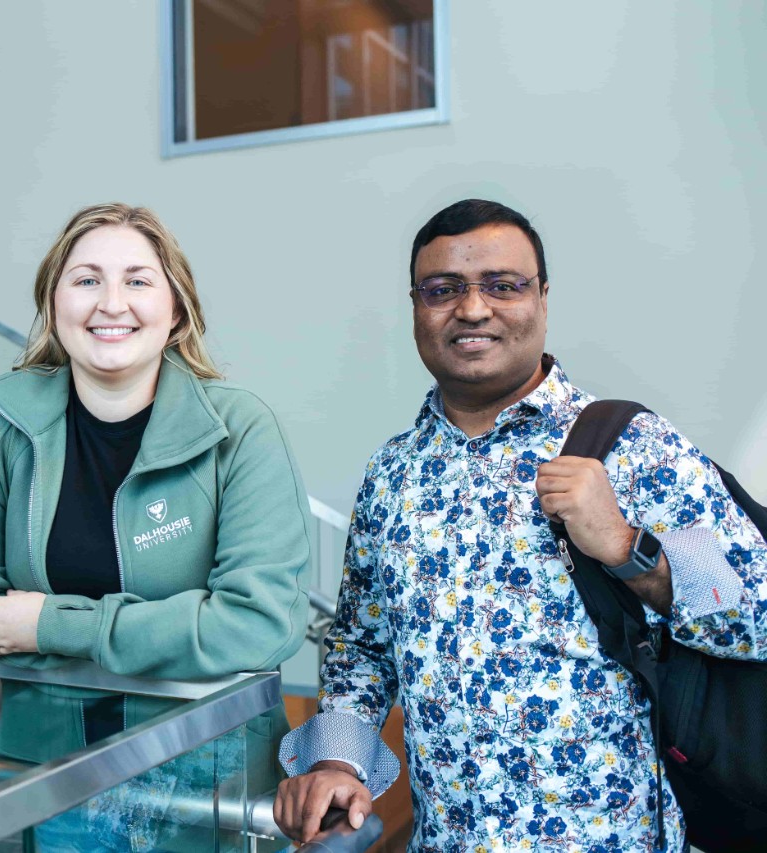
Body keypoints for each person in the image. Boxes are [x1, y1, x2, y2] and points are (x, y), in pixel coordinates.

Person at [273, 199, 767, 851]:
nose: (472, 309)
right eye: (443, 289)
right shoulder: (393, 474)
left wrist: (627, 547)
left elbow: (756, 612)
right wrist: (338, 762)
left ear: (542, 297)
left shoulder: (631, 446)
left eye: (503, 285)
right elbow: (363, 646)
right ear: (417, 306)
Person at [0, 202, 312, 850]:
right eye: (86, 279)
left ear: (176, 310)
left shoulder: (240, 429)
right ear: (54, 304)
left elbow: (260, 622)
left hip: (205, 779)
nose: (112, 302)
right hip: (46, 773)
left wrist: (50, 624)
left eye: (137, 280)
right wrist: (179, 626)